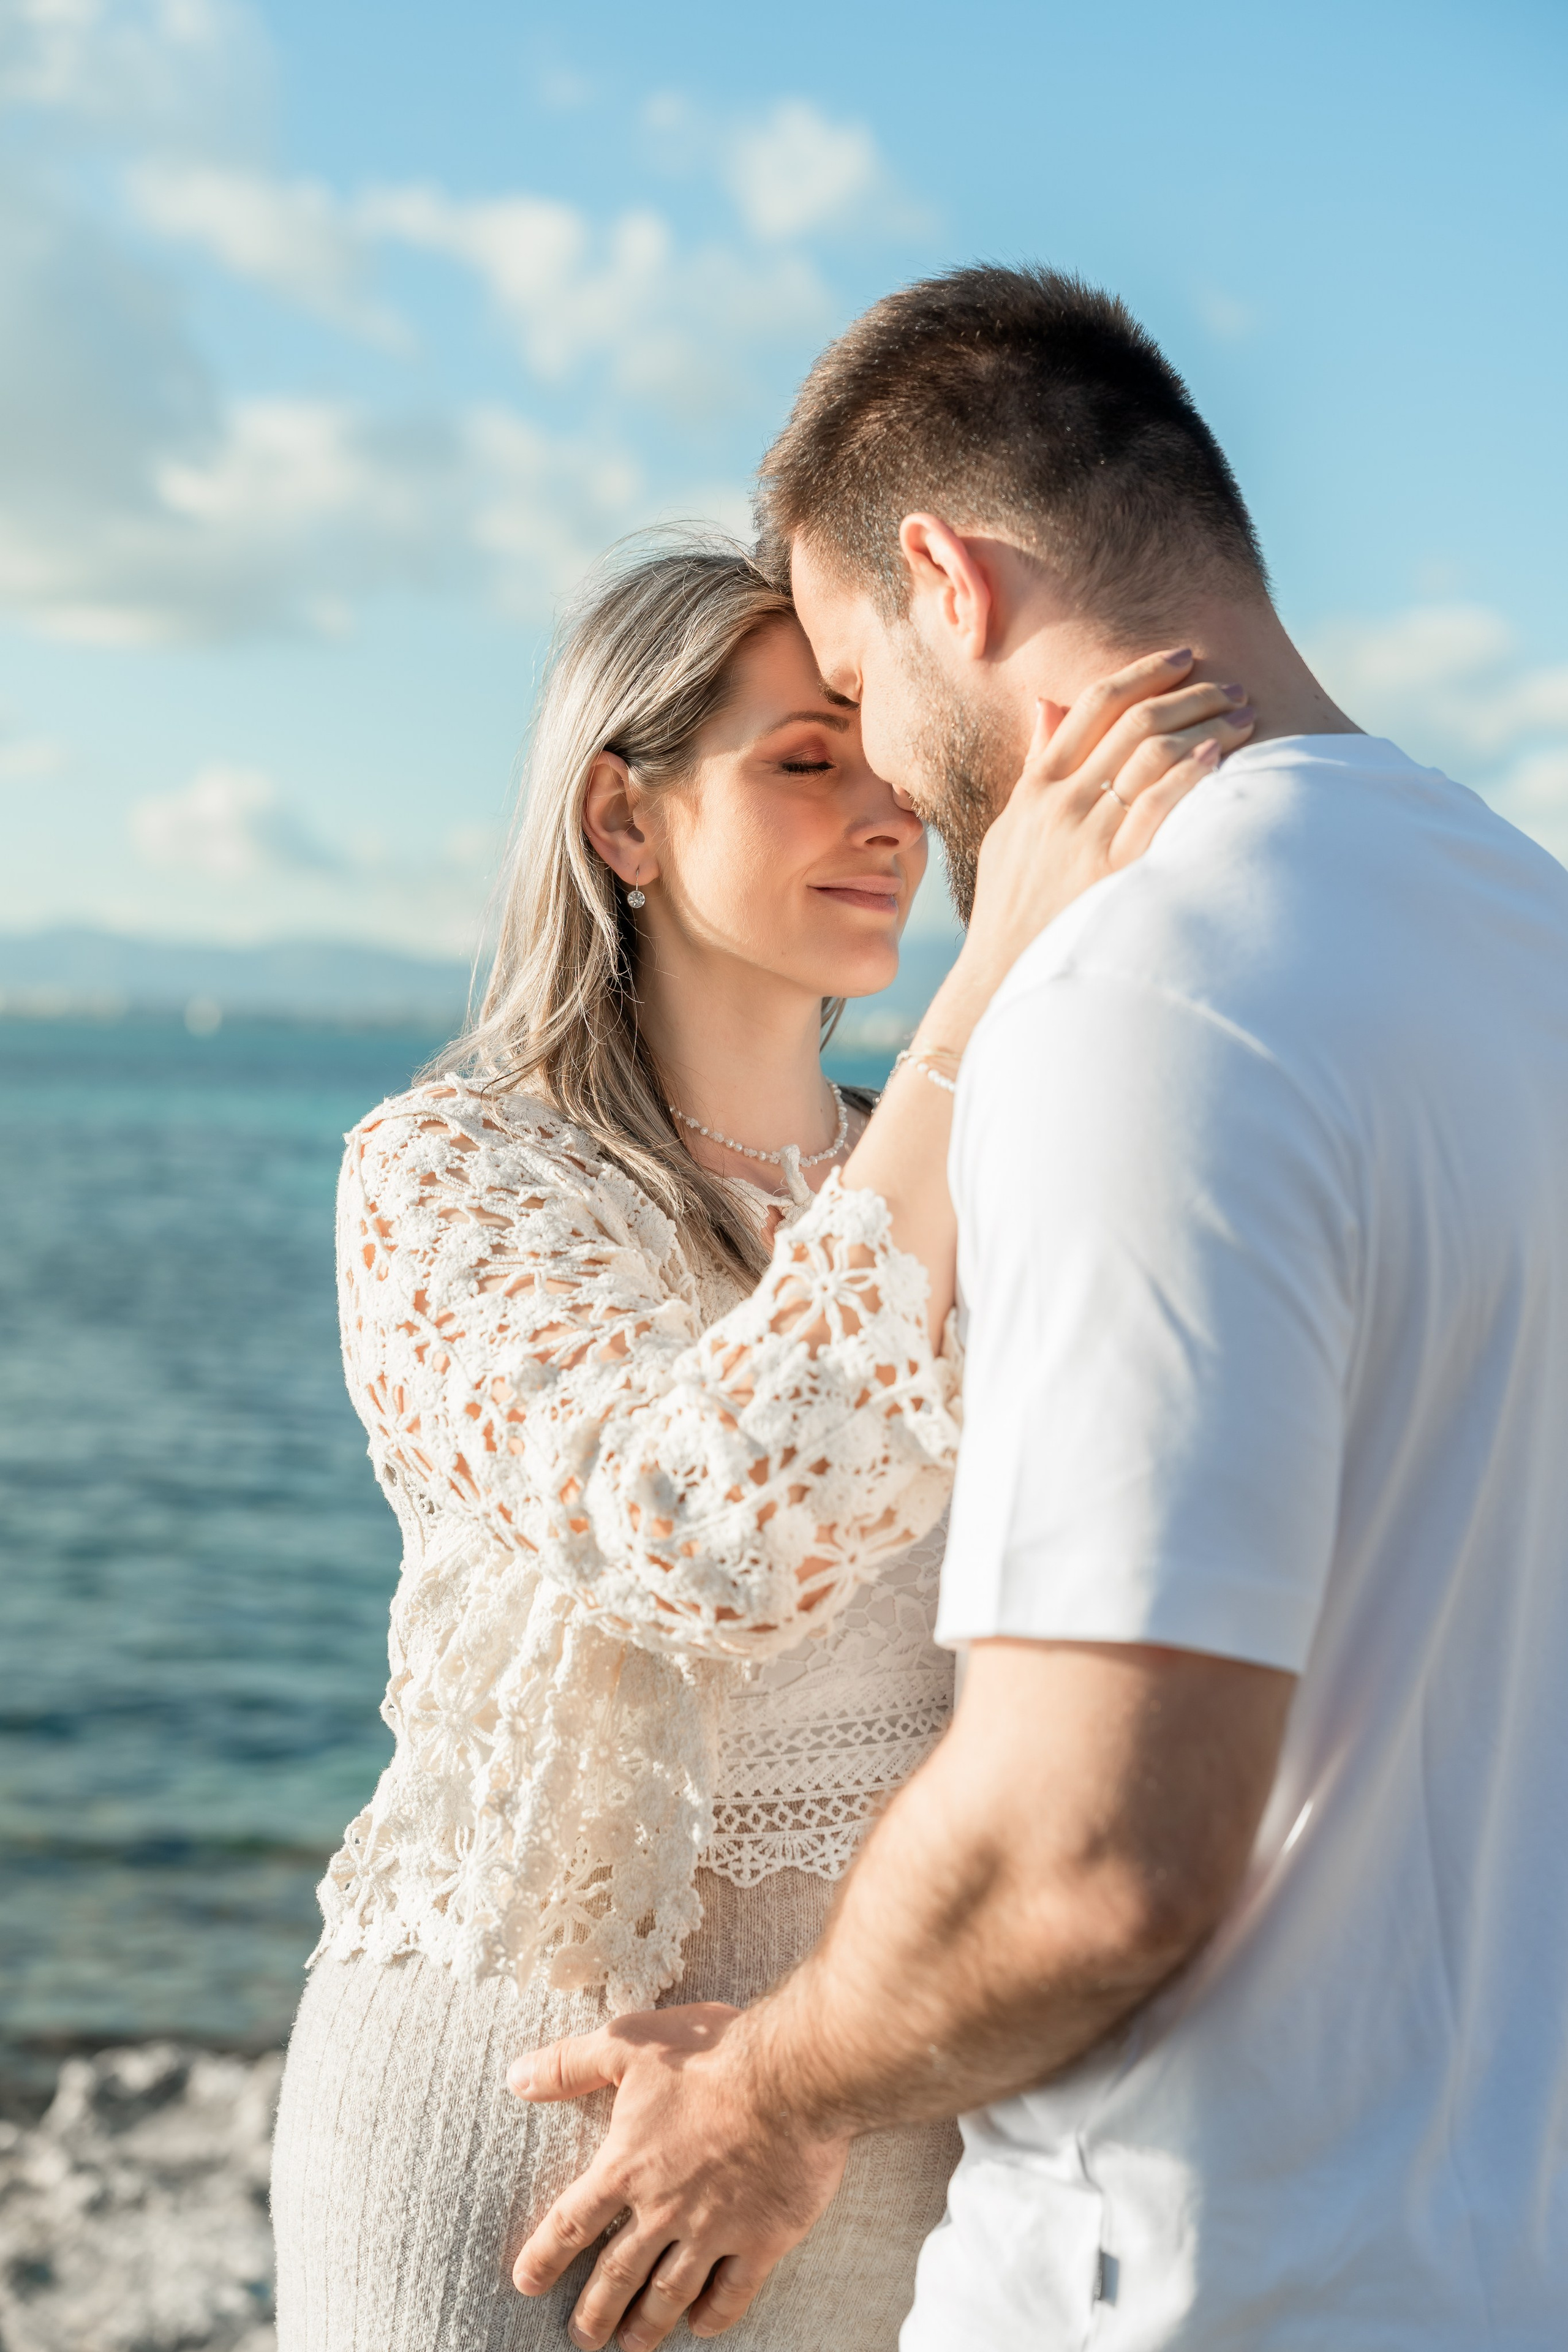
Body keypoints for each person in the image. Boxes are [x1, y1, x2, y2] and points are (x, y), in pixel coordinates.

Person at [509, 268, 1568, 2352]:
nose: (894, 783)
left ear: (945, 582)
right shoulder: (1525, 934)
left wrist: (769, 2091)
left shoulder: (1145, 996)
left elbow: (1088, 1856)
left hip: (1197, 2277)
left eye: (850, 683)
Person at [268, 526, 1246, 2350]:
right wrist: (992, 979)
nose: (887, 814)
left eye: (890, 758)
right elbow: (705, 1533)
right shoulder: (454, 1175)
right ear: (624, 820)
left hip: (882, 2123)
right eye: (804, 762)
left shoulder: (989, 1168)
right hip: (518, 2128)